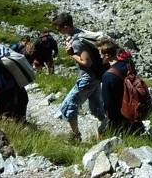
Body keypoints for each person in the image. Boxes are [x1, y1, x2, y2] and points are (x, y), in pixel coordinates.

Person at [52, 12, 106, 141]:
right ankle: (106, 129)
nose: (57, 30)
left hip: (87, 78)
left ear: (65, 27)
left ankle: (76, 135)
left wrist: (71, 54)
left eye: (58, 28)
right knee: (97, 107)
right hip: (96, 77)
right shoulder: (80, 32)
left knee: (69, 105)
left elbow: (87, 62)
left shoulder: (76, 42)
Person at [98, 39, 146, 135]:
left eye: (101, 54)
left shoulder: (108, 76)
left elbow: (108, 102)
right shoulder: (128, 65)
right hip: (133, 109)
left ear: (107, 55)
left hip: (119, 115)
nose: (100, 56)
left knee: (106, 133)